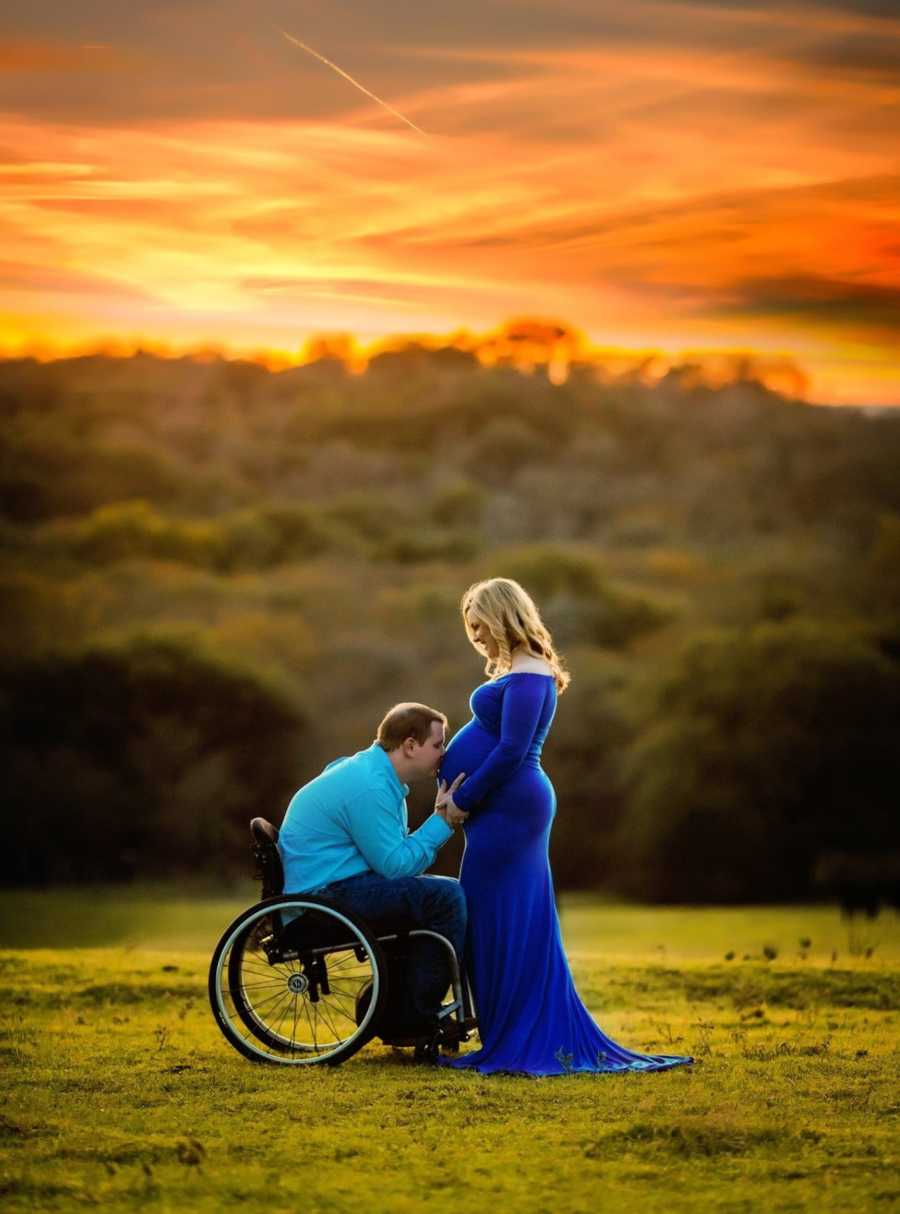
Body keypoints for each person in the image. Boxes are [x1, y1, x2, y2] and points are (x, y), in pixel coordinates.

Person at [436, 577, 694, 1076]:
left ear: (501, 616)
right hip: (501, 809)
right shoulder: (519, 670)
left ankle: (519, 1038)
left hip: (512, 810)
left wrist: (463, 798)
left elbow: (513, 750)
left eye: (479, 626)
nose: (476, 638)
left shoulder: (530, 674)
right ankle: (506, 1030)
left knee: (503, 918)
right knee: (492, 916)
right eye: (469, 629)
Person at [278, 701, 468, 1031]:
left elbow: (393, 861)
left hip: (329, 891)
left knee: (431, 894)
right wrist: (443, 822)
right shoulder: (370, 786)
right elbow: (395, 866)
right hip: (320, 904)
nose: (444, 753)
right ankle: (414, 1017)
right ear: (410, 745)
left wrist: (437, 821)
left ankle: (398, 1006)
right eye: (438, 745)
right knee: (446, 897)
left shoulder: (374, 776)